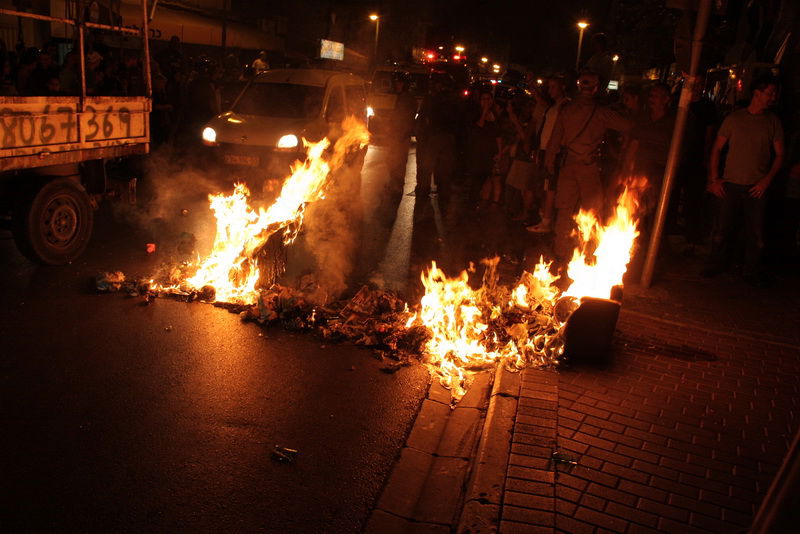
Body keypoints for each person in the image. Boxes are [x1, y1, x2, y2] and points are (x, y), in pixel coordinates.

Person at [704, 76, 785, 285]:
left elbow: (779, 155)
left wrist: (766, 181)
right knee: (720, 231)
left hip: (755, 187)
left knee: (756, 236)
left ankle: (750, 271)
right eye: (769, 93)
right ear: (757, 94)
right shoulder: (734, 119)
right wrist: (715, 179)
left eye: (774, 93)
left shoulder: (772, 121)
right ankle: (715, 265)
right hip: (730, 184)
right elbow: (717, 149)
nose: (773, 97)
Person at [545, 71, 631, 263]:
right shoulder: (602, 113)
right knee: (592, 210)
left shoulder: (566, 110)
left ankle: (561, 251)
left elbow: (554, 140)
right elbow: (628, 127)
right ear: (595, 88)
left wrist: (550, 162)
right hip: (589, 167)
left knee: (564, 210)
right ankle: (588, 251)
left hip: (568, 165)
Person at [619, 83, 675, 236]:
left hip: (661, 171)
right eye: (651, 95)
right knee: (636, 209)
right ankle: (637, 245)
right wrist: (626, 170)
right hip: (641, 170)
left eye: (656, 96)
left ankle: (656, 245)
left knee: (656, 211)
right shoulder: (643, 119)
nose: (652, 99)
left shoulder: (673, 122)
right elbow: (634, 143)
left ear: (666, 99)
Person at [675, 74, 716, 255]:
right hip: (677, 157)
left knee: (693, 200)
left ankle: (693, 238)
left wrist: (706, 159)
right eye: (694, 83)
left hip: (696, 158)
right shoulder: (680, 102)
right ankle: (667, 235)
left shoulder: (708, 106)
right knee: (672, 197)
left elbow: (709, 134)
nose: (697, 87)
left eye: (700, 83)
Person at [527, 76, 569, 232]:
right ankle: (543, 217)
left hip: (554, 151)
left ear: (562, 87)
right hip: (545, 150)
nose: (550, 90)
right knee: (544, 186)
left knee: (550, 187)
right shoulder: (553, 106)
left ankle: (546, 221)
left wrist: (554, 150)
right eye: (549, 87)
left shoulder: (565, 106)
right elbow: (541, 103)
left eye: (553, 87)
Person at [382, 71, 417, 225]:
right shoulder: (401, 98)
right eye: (395, 82)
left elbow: (405, 121)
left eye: (399, 82)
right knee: (392, 167)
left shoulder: (408, 99)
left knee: (397, 169)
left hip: (400, 140)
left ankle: (394, 199)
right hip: (395, 139)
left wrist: (398, 135)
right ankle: (392, 194)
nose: (397, 85)